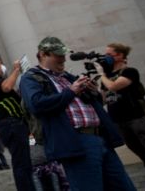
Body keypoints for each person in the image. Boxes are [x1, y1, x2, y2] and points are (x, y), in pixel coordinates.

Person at [19, 36, 135, 190]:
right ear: (43, 55)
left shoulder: (68, 76)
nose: (63, 59)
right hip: (75, 140)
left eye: (63, 55)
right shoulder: (31, 78)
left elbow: (94, 103)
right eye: (58, 55)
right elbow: (37, 104)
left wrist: (93, 92)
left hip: (100, 137)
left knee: (123, 186)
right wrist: (71, 91)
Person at [99, 42, 145, 183]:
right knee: (144, 156)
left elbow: (114, 86)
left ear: (120, 55)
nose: (106, 57)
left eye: (109, 54)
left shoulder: (130, 72)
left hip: (136, 119)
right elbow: (103, 99)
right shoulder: (107, 77)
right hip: (119, 122)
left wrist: (101, 74)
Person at [0, 56, 34, 190]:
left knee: (25, 162)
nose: (2, 65)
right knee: (21, 163)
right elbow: (6, 87)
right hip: (10, 124)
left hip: (15, 124)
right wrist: (16, 69)